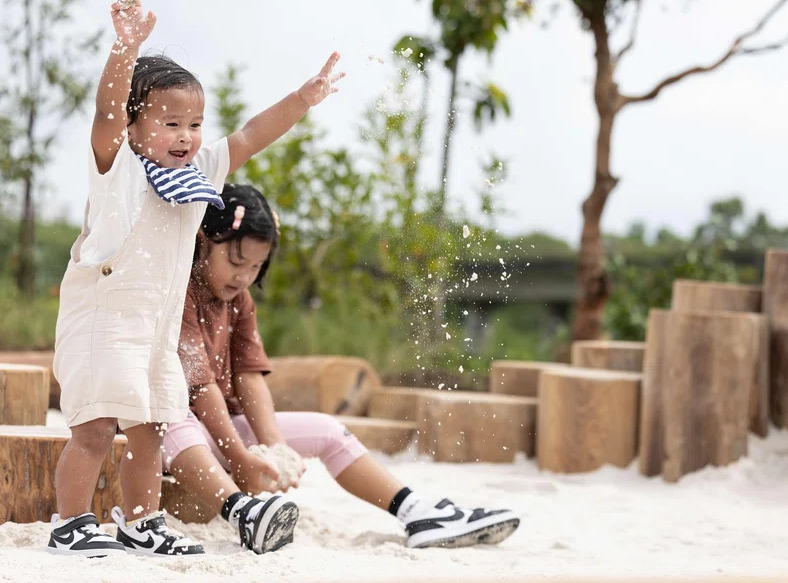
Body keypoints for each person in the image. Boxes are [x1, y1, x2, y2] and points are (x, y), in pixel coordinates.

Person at [47, 0, 345, 558]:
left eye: (195, 124)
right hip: (103, 317)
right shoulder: (118, 166)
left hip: (155, 328)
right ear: (136, 127)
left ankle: (140, 522)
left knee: (152, 425)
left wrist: (303, 99)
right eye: (170, 123)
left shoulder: (201, 168)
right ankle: (71, 523)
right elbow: (107, 111)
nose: (187, 136)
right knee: (95, 426)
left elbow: (254, 133)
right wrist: (124, 49)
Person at [161, 183, 521, 553]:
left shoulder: (240, 300)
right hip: (176, 436)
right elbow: (200, 387)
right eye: (236, 263)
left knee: (328, 430)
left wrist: (275, 447)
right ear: (203, 240)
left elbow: (249, 377)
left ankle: (415, 511)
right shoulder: (177, 289)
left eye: (256, 267)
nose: (244, 277)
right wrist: (239, 458)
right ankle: (243, 513)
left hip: (219, 430)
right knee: (170, 420)